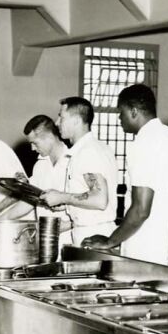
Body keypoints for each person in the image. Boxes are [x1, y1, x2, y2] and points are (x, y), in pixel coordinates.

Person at [82, 84, 168, 263]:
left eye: (121, 111)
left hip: (146, 246)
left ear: (134, 111)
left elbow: (141, 209)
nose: (119, 117)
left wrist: (111, 241)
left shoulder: (144, 143)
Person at [39, 97, 117, 244]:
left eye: (61, 118)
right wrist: (67, 204)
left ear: (76, 121)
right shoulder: (94, 148)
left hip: (93, 234)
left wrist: (62, 197)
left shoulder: (87, 152)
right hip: (92, 230)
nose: (57, 123)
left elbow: (100, 200)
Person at [24, 114, 73, 248]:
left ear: (50, 137)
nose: (32, 149)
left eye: (35, 143)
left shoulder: (73, 160)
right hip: (45, 241)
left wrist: (70, 224)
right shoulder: (39, 165)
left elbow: (90, 203)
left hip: (71, 240)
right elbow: (31, 201)